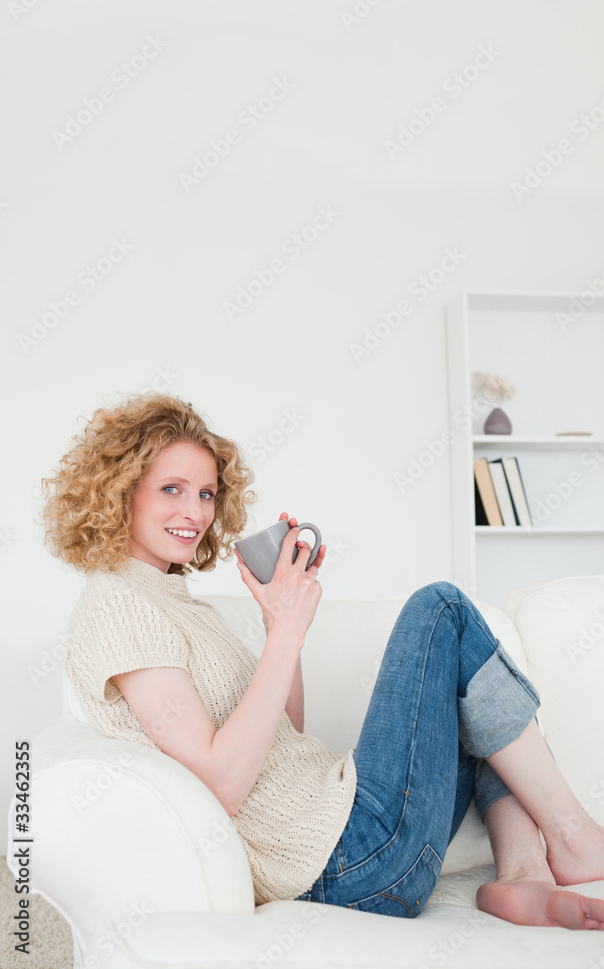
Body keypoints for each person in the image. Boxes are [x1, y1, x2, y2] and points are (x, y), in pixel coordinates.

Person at [39, 391, 604, 930]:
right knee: (443, 610)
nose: (196, 512)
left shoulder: (173, 601)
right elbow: (222, 785)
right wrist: (285, 629)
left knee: (472, 698)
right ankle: (574, 834)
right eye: (172, 489)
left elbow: (284, 735)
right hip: (346, 861)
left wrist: (280, 625)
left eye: (207, 494)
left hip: (357, 842)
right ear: (120, 491)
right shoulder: (119, 606)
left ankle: (523, 873)